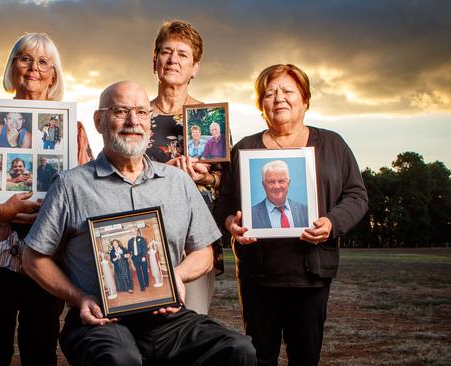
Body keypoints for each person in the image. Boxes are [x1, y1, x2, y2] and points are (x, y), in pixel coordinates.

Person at [22, 80, 256, 366]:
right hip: (100, 320)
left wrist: (176, 278)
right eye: (121, 111)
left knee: (239, 349)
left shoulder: (178, 182)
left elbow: (204, 252)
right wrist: (80, 297)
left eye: (142, 113)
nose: (133, 121)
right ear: (100, 120)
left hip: (167, 318)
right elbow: (33, 257)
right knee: (121, 359)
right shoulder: (71, 186)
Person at [0, 33, 94, 366]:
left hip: (47, 254)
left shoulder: (72, 129)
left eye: (44, 62)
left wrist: (51, 212)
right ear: (13, 66)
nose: (34, 68)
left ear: (54, 75)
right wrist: (2, 210)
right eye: (25, 58)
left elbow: (84, 191)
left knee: (40, 349)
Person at [214, 64, 368, 365]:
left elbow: (357, 196)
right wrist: (231, 223)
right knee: (260, 357)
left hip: (311, 275)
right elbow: (224, 202)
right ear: (261, 105)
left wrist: (333, 223)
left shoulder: (333, 145)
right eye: (269, 93)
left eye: (287, 91)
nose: (279, 99)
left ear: (305, 99)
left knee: (305, 357)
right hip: (258, 276)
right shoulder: (245, 149)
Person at [147, 19, 222, 315]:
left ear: (195, 67)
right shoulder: (136, 115)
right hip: (147, 231)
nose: (173, 60)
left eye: (182, 54)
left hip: (196, 239)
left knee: (192, 323)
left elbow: (225, 182)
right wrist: (167, 170)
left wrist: (208, 179)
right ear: (154, 60)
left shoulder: (211, 118)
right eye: (166, 52)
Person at [251, 160, 308, 228]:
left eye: (281, 181)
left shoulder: (305, 211)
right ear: (264, 185)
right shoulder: (251, 215)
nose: (277, 187)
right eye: (271, 182)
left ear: (288, 183)